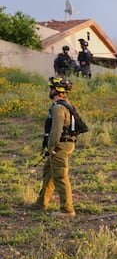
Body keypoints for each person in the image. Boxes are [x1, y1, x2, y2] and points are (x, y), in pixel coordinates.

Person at [32, 77, 78, 218]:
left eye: (51, 88)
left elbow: (56, 130)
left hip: (59, 145)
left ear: (57, 90)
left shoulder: (58, 107)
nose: (50, 90)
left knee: (60, 176)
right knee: (49, 172)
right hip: (64, 144)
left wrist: (51, 146)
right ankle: (41, 203)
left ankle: (67, 210)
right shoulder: (65, 105)